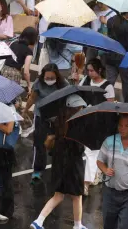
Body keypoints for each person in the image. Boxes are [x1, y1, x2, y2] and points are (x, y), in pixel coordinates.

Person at [30, 95, 89, 229]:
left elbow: (52, 144)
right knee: (77, 196)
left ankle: (38, 221)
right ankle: (77, 225)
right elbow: (79, 149)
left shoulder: (58, 122)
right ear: (76, 108)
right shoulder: (78, 125)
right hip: (74, 165)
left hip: (58, 163)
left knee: (58, 195)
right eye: (80, 107)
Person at [23, 64, 68, 183]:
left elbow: (68, 99)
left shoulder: (63, 84)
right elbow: (33, 98)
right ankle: (37, 170)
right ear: (43, 76)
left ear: (57, 76)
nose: (49, 80)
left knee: (58, 143)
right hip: (41, 116)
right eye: (47, 78)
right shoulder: (38, 82)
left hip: (57, 117)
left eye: (52, 78)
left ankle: (58, 169)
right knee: (39, 143)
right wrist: (25, 110)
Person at [79, 59, 114, 196]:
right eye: (88, 70)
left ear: (99, 70)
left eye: (92, 70)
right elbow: (79, 93)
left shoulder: (108, 86)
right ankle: (96, 174)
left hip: (99, 123)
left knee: (91, 152)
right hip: (86, 121)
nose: (89, 73)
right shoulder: (85, 81)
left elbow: (110, 107)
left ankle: (86, 183)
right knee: (90, 152)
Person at [105, 13, 128, 102]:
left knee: (109, 82)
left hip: (110, 56)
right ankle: (127, 105)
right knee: (126, 84)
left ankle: (106, 102)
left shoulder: (110, 21)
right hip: (124, 58)